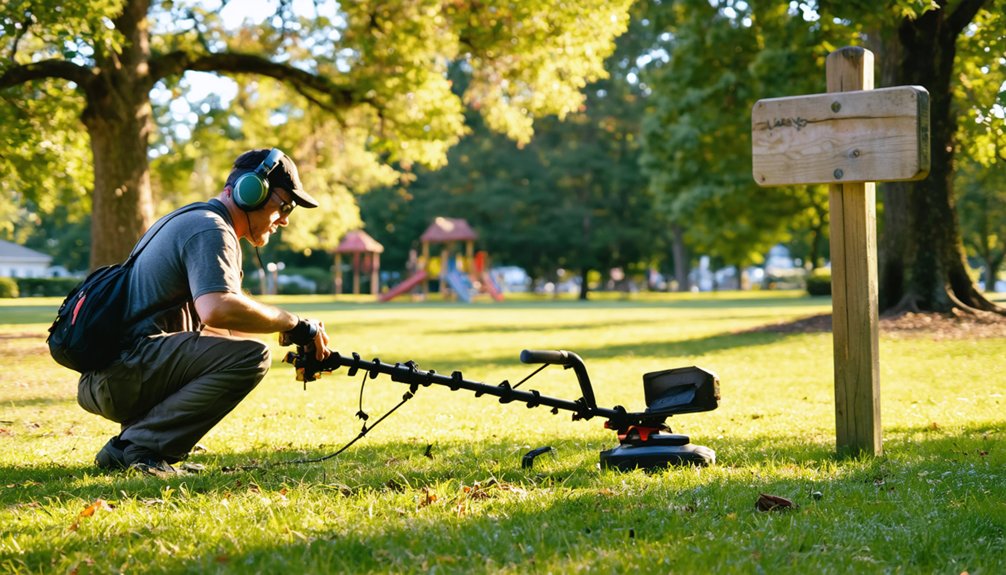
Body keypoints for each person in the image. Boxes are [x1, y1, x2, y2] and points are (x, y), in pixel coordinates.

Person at [77, 148, 332, 475]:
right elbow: (217, 310)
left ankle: (131, 447)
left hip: (110, 377)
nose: (284, 219)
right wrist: (294, 323)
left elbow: (224, 329)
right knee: (252, 357)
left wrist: (294, 332)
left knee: (243, 350)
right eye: (284, 206)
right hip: (121, 375)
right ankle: (139, 447)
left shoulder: (193, 219)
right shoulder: (210, 229)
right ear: (251, 192)